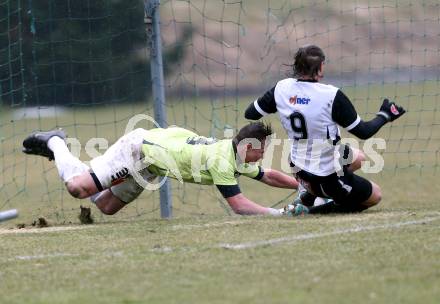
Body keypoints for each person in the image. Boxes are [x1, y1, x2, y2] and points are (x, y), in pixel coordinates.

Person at [244, 44, 406, 214]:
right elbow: (363, 131)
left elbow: (251, 113)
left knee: (358, 157)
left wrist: (287, 104)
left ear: (297, 66)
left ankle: (308, 195)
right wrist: (385, 115)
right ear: (320, 67)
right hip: (324, 176)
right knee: (375, 195)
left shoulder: (281, 88)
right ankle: (309, 211)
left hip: (297, 167)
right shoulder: (331, 95)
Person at [22, 122, 306, 217]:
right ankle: (56, 141)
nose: (264, 153)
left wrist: (302, 185)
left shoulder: (236, 153)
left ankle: (90, 173)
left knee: (106, 206)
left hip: (154, 162)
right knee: (78, 189)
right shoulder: (222, 161)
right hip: (138, 149)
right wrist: (280, 213)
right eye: (261, 147)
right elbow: (240, 206)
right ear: (246, 145)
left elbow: (268, 175)